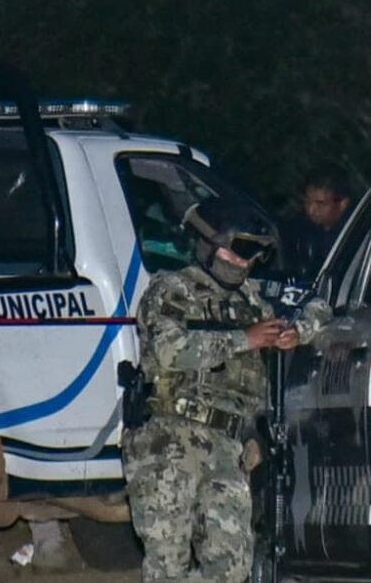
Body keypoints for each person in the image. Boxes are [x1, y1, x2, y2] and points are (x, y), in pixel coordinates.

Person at [123, 198, 330, 582]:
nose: (242, 264)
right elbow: (169, 349)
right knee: (168, 564)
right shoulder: (172, 289)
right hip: (169, 439)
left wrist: (296, 331)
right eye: (235, 253)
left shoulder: (253, 297)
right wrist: (244, 339)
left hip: (227, 444)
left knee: (232, 566)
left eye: (250, 257)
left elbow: (318, 305)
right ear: (208, 245)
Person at [282, 164, 353, 279]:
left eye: (321, 204)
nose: (311, 210)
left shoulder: (352, 239)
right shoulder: (300, 228)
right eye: (307, 202)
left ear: (342, 204)